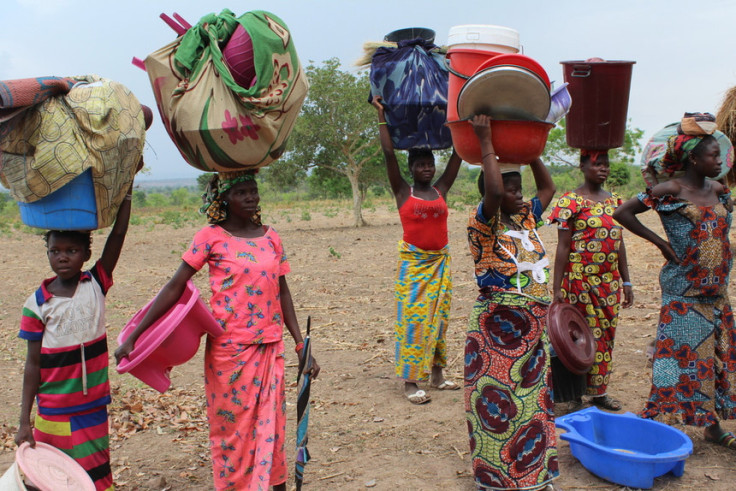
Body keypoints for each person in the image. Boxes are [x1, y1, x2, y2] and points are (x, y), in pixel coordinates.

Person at [114, 170, 320, 490]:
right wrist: (134, 336)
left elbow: (284, 292)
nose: (251, 197)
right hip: (229, 353)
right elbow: (174, 287)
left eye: (253, 190)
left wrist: (300, 345)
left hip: (269, 347)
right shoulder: (209, 237)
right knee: (232, 432)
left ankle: (274, 485)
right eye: (241, 192)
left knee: (272, 426)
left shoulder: (272, 237)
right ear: (224, 198)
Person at [614, 116, 736, 450]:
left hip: (716, 293)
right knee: (675, 359)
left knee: (713, 359)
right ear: (694, 159)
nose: (718, 161)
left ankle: (712, 427)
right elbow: (623, 212)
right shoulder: (670, 190)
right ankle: (655, 427)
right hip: (683, 292)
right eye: (713, 156)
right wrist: (661, 243)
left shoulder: (719, 190)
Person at [15, 180, 136, 491]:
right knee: (49, 475)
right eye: (55, 251)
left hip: (92, 404)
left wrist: (127, 191)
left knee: (94, 475)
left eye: (71, 250)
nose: (63, 257)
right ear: (47, 253)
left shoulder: (96, 284)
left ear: (86, 253)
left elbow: (118, 235)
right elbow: (32, 365)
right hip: (53, 408)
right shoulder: (37, 305)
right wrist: (24, 421)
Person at [465, 114, 559, 490]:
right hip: (497, 335)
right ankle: (498, 480)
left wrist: (531, 148)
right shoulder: (484, 223)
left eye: (520, 187)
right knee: (500, 408)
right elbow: (491, 192)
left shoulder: (525, 218)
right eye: (510, 188)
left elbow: (548, 188)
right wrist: (485, 140)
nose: (519, 193)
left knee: (534, 405)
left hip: (534, 332)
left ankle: (533, 477)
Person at [371, 95, 462, 405]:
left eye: (429, 163)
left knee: (440, 319)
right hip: (415, 267)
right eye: (420, 164)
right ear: (410, 168)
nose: (426, 168)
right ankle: (411, 381)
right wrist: (381, 115)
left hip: (441, 264)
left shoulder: (441, 189)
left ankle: (436, 374)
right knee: (413, 321)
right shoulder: (402, 191)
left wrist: (464, 122)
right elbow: (387, 153)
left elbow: (458, 156)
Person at [548, 150, 634, 411]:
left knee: (605, 337)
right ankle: (575, 394)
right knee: (577, 337)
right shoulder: (570, 202)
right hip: (579, 281)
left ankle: (599, 393)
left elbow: (619, 244)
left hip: (608, 283)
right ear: (582, 166)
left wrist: (626, 282)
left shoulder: (615, 202)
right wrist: (557, 288)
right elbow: (563, 248)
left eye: (606, 165)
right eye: (597, 164)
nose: (603, 169)